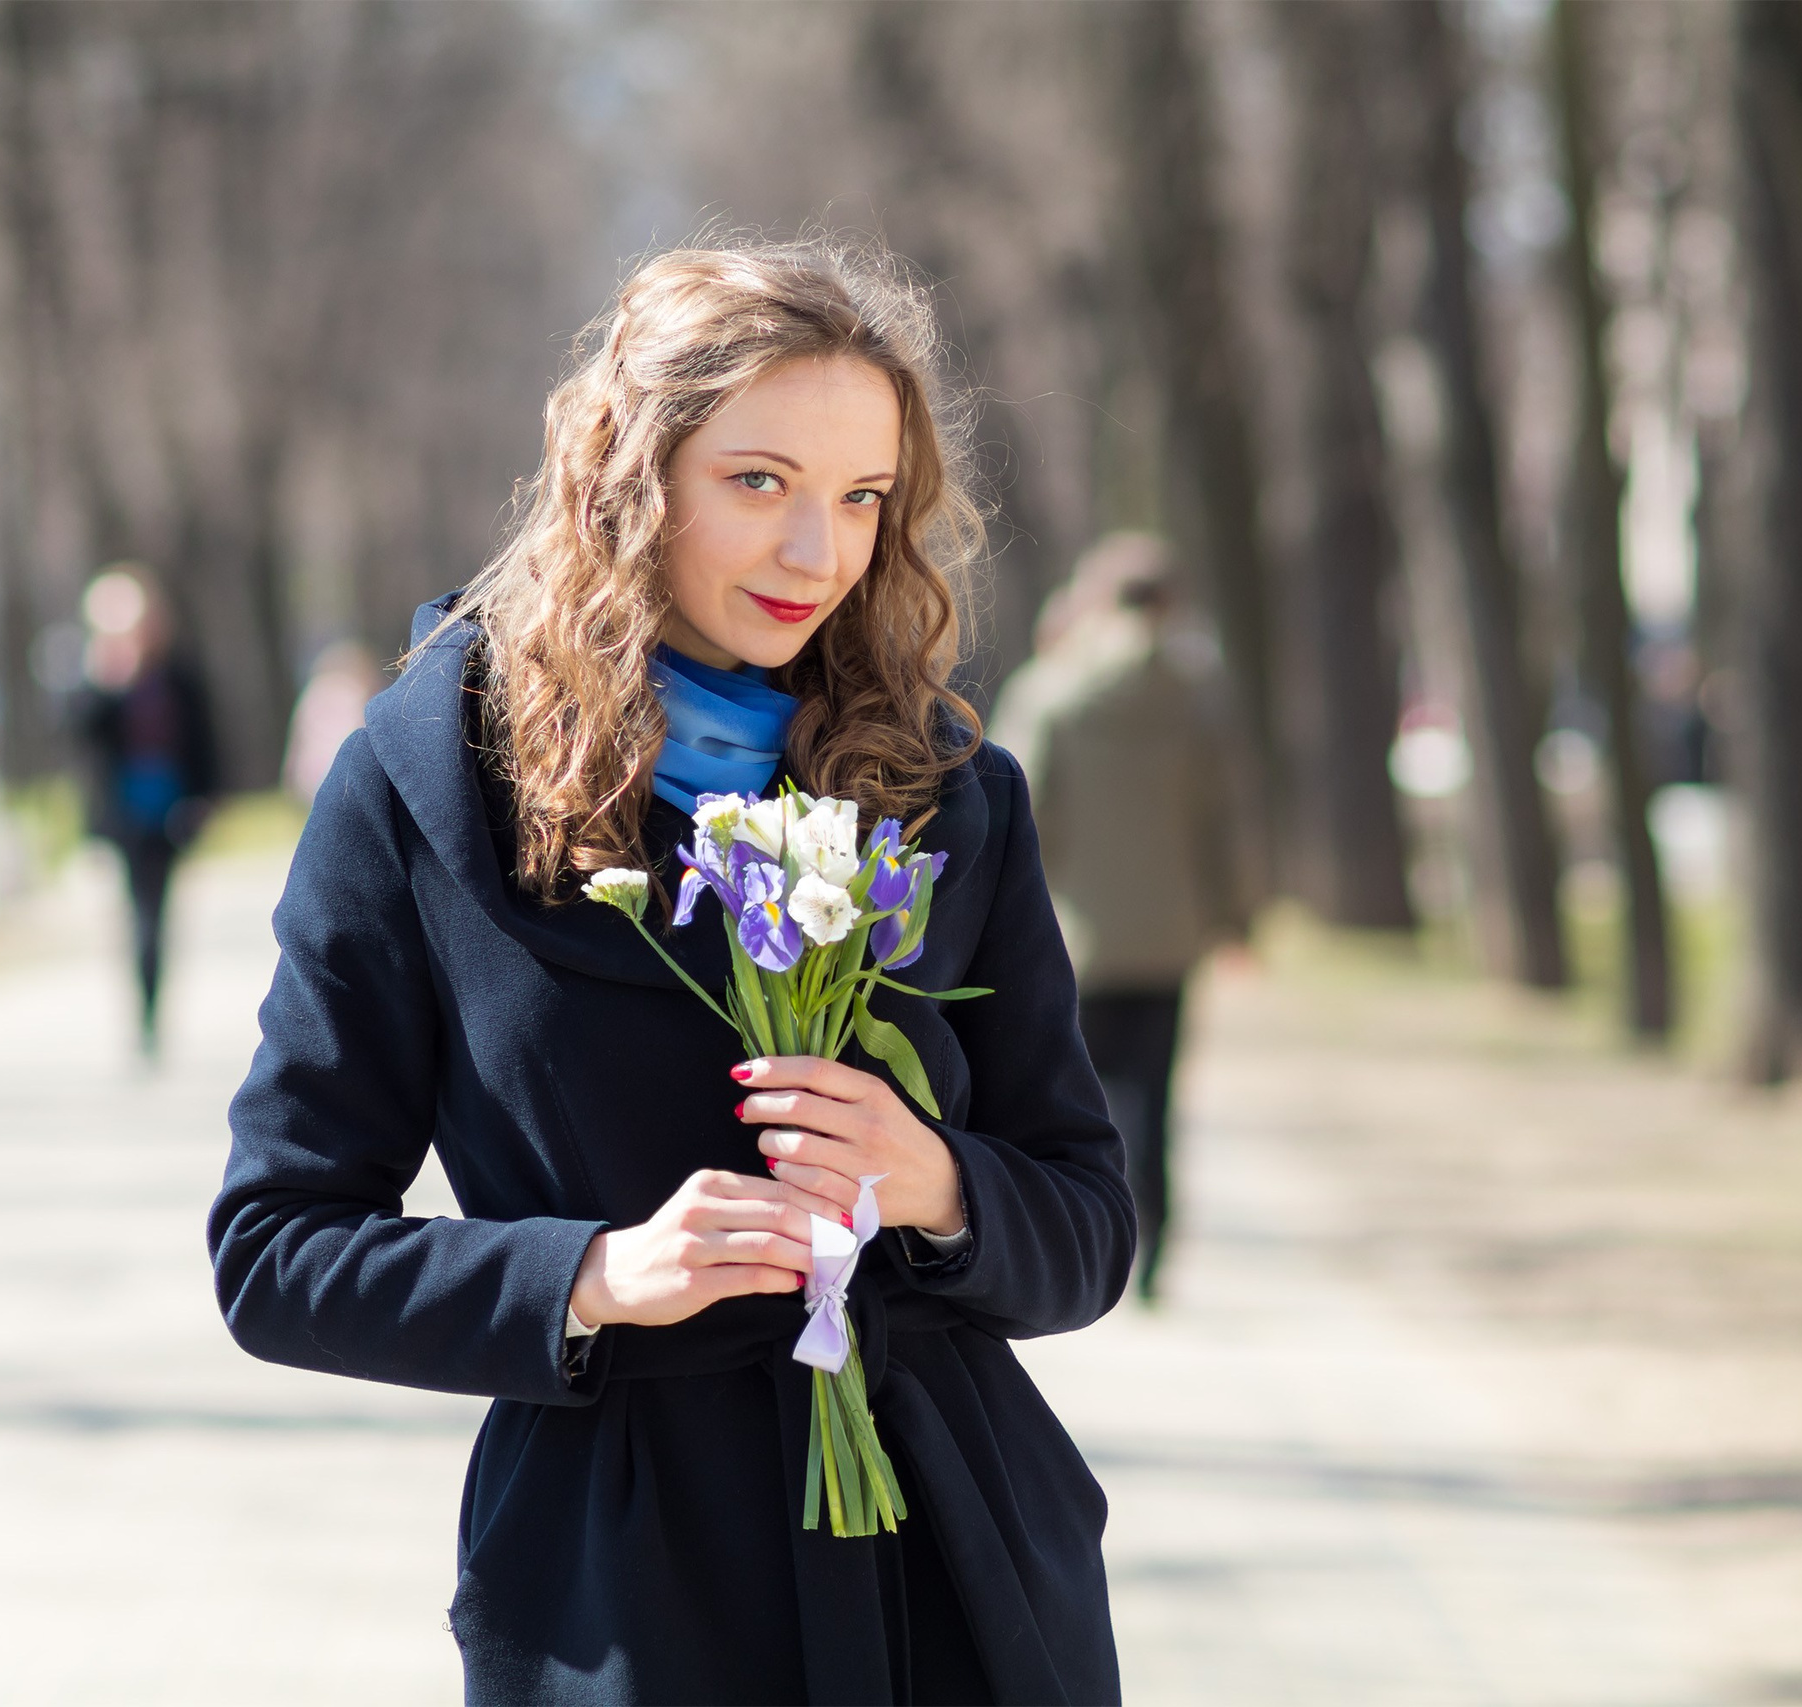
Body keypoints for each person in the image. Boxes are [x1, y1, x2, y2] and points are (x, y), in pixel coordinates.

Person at [208, 240, 1132, 1706]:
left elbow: (1088, 1222)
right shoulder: (421, 784)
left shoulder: (952, 787)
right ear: (629, 476)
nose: (816, 554)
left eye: (859, 496)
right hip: (617, 1590)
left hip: (952, 1567)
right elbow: (275, 1250)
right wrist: (590, 1273)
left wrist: (940, 1183)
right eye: (759, 482)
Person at [991, 532, 1261, 1304]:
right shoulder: (1199, 697)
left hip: (1077, 935)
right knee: (1158, 1093)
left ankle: (1096, 1239)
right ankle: (1158, 1242)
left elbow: (1021, 810)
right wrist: (1238, 919)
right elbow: (1226, 821)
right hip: (1172, 937)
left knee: (1085, 1097)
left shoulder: (1054, 692)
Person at [72, 563, 220, 1056]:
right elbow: (80, 734)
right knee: (137, 914)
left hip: (170, 812)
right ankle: (142, 1008)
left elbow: (204, 743)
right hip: (123, 816)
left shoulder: (178, 677)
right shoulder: (102, 682)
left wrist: (205, 799)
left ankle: (151, 1008)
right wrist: (110, 678)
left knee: (156, 914)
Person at [280, 640, 383, 804]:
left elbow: (298, 740)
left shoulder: (311, 694)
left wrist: (290, 775)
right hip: (342, 774)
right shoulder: (356, 693)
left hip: (309, 775)